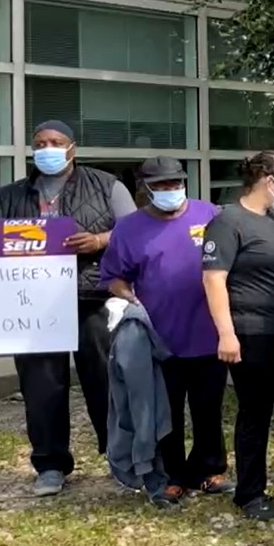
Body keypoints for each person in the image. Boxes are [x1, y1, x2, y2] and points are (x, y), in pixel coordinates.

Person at [0, 119, 137, 496]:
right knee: (41, 387)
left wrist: (99, 240)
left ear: (72, 147)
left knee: (105, 379)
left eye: (56, 141)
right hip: (34, 304)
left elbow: (134, 231)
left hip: (91, 297)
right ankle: (50, 464)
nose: (47, 148)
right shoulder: (11, 195)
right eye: (40, 142)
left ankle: (120, 458)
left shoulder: (107, 185)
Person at [99, 157, 233, 501]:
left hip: (208, 332)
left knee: (208, 408)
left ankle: (209, 469)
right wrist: (131, 299)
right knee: (164, 412)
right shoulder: (129, 228)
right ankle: (170, 474)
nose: (169, 190)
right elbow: (113, 276)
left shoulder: (210, 215)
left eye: (175, 184)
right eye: (160, 186)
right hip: (159, 337)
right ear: (145, 189)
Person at [202, 150, 274, 520]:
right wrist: (226, 334)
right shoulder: (229, 221)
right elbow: (214, 279)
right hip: (251, 332)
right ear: (270, 181)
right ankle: (250, 493)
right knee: (255, 414)